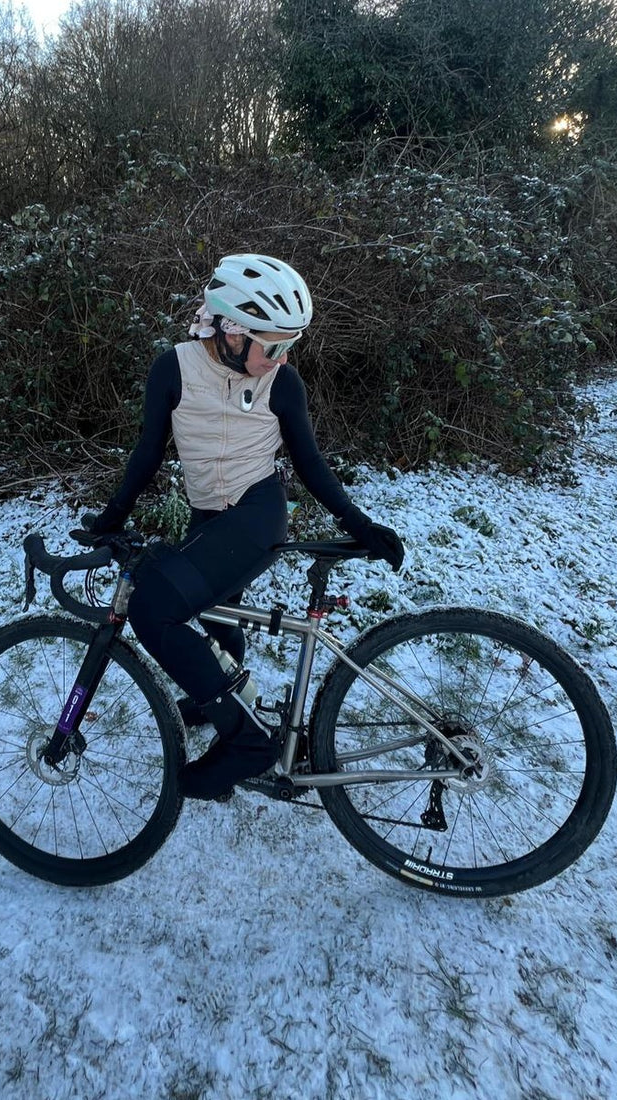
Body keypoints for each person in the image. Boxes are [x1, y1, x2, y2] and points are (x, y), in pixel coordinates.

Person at [88, 254, 403, 801]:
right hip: (207, 513)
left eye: (289, 345)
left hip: (258, 514)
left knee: (153, 606)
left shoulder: (283, 383)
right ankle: (224, 700)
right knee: (215, 614)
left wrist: (361, 524)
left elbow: (309, 462)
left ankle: (247, 743)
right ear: (230, 330)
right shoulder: (175, 369)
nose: (280, 357)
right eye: (271, 344)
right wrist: (110, 519)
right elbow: (147, 454)